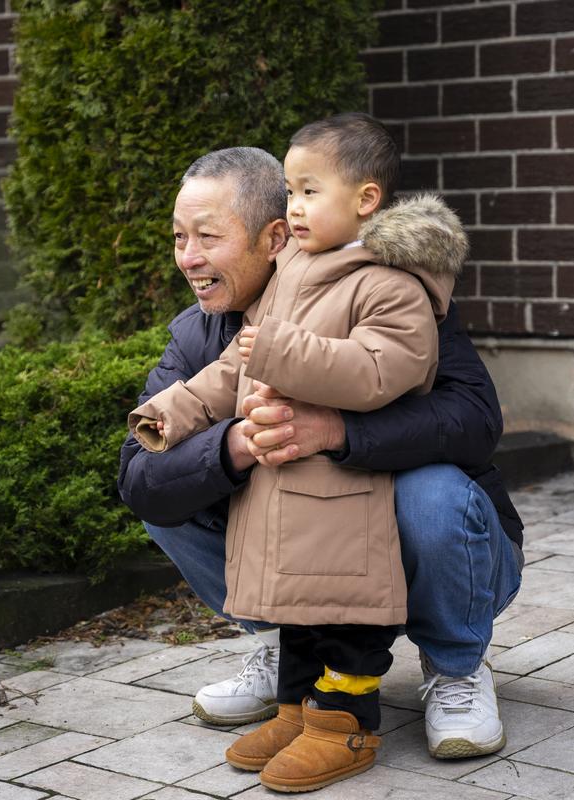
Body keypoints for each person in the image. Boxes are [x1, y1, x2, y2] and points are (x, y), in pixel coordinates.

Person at [117, 136, 523, 765]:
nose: (187, 259)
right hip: (312, 537)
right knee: (173, 490)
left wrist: (339, 433)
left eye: (207, 237)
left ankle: (456, 665)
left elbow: (474, 419)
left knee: (432, 489)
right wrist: (234, 446)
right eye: (178, 239)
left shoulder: (386, 287)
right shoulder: (197, 336)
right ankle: (287, 652)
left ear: (274, 238)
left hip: (440, 549)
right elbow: (139, 479)